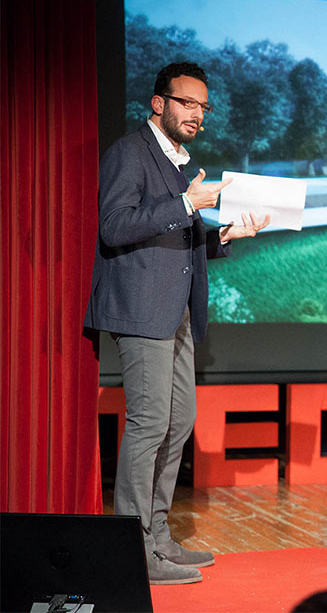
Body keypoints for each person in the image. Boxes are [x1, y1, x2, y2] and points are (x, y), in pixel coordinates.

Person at [85, 62, 270, 585]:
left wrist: (227, 235)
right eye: (187, 103)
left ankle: (158, 537)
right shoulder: (130, 151)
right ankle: (132, 551)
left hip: (178, 312)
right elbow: (115, 226)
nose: (196, 114)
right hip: (141, 308)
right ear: (158, 103)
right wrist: (186, 202)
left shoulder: (179, 163)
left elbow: (179, 242)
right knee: (148, 425)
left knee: (179, 420)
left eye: (203, 107)